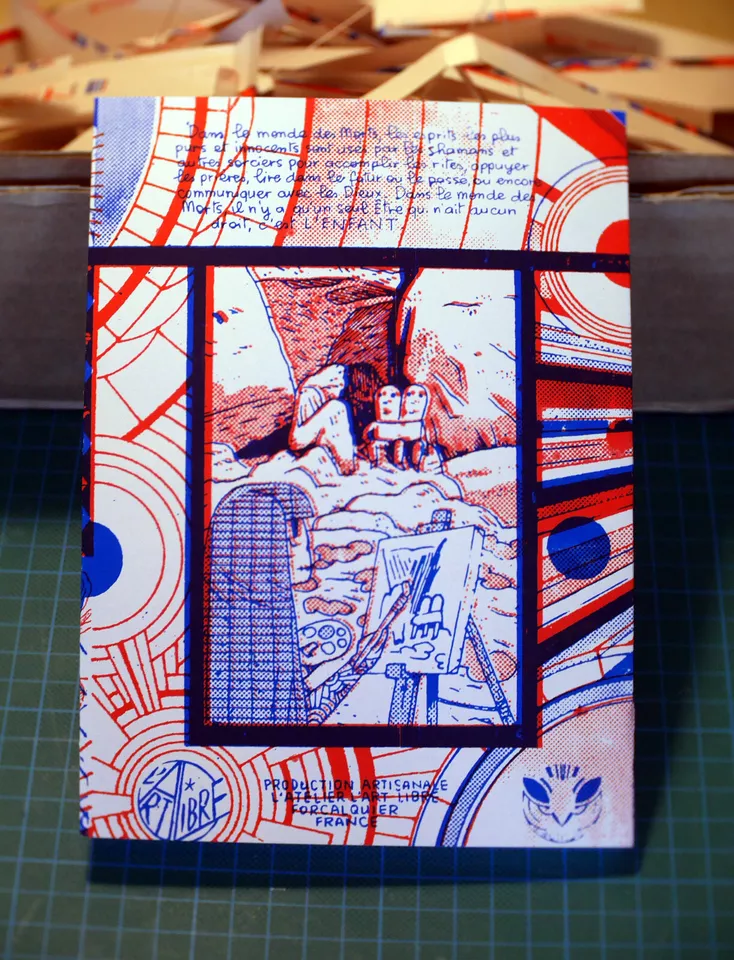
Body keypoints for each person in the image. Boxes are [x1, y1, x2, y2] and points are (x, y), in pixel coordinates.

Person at [289, 364, 357, 475]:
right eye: (337, 383)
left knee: (336, 407)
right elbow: (297, 441)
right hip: (308, 446)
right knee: (333, 405)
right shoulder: (311, 393)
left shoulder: (332, 402)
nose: (341, 387)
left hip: (326, 452)